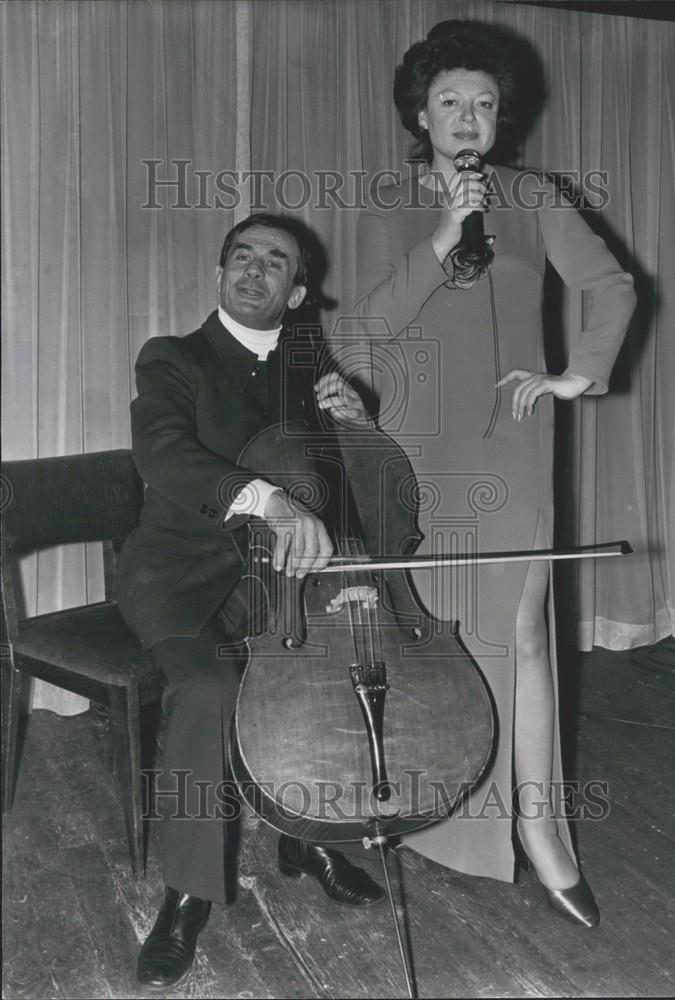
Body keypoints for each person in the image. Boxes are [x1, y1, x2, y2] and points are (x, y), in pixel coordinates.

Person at [353, 20, 636, 928]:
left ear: (499, 115)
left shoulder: (533, 194)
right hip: (412, 450)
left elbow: (612, 285)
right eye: (449, 102)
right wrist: (439, 239)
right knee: (425, 636)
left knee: (522, 635)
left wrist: (573, 375)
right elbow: (356, 335)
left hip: (509, 446)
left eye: (482, 103)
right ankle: (423, 815)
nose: (468, 118)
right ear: (420, 113)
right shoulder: (383, 202)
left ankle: (542, 830)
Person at [117, 213, 385, 991]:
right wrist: (264, 499)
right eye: (242, 257)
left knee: (335, 669)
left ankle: (312, 836)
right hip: (181, 575)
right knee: (209, 688)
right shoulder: (174, 358)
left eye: (275, 262)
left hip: (286, 581)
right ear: (218, 274)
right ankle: (186, 897)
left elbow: (337, 485)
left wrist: (358, 432)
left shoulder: (310, 367)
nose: (254, 270)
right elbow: (162, 453)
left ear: (296, 291)